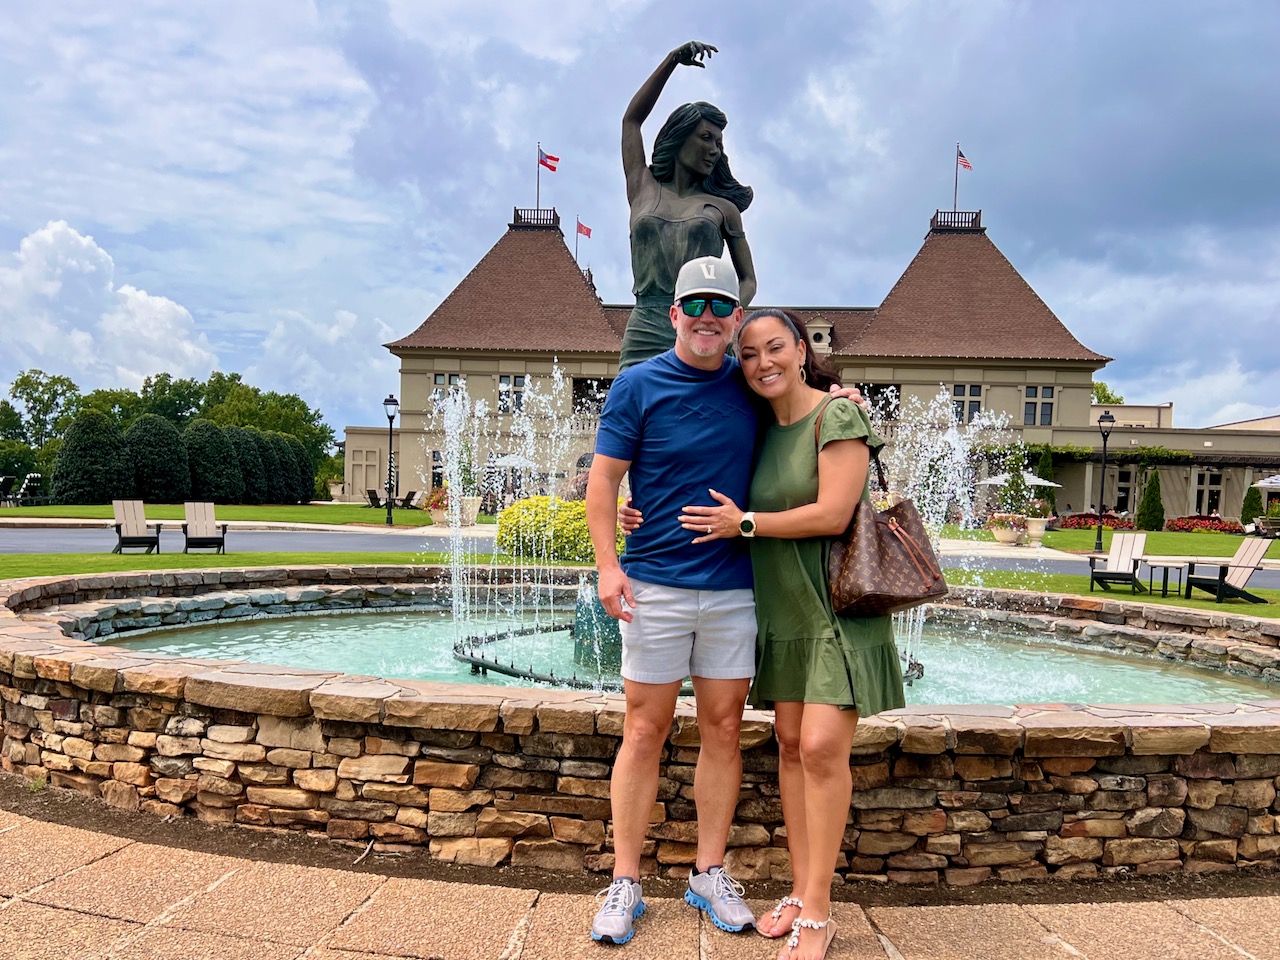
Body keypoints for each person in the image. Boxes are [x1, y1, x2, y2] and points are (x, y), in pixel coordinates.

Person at [676, 308, 905, 960]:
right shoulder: (758, 427)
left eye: (774, 347)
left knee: (825, 750)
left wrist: (745, 525)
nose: (762, 362)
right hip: (783, 611)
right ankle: (802, 894)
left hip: (836, 607)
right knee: (793, 750)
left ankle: (819, 915)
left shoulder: (838, 415)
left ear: (802, 350)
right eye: (748, 354)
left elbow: (834, 513)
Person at [585, 255, 759, 945]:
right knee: (644, 729)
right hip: (652, 582)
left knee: (723, 729)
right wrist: (607, 566)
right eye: (698, 306)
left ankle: (707, 872)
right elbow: (604, 486)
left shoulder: (754, 387)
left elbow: (812, 407)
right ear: (675, 314)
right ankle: (626, 880)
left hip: (733, 588)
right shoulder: (637, 386)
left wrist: (851, 403)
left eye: (723, 306)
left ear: (737, 318)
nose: (709, 318)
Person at [619, 40, 758, 369]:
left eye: (720, 144)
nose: (714, 150)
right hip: (646, 328)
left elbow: (748, 280)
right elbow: (631, 122)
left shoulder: (724, 209)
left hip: (701, 327)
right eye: (706, 138)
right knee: (630, 412)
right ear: (680, 136)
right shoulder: (643, 186)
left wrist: (721, 315)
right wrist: (671, 61)